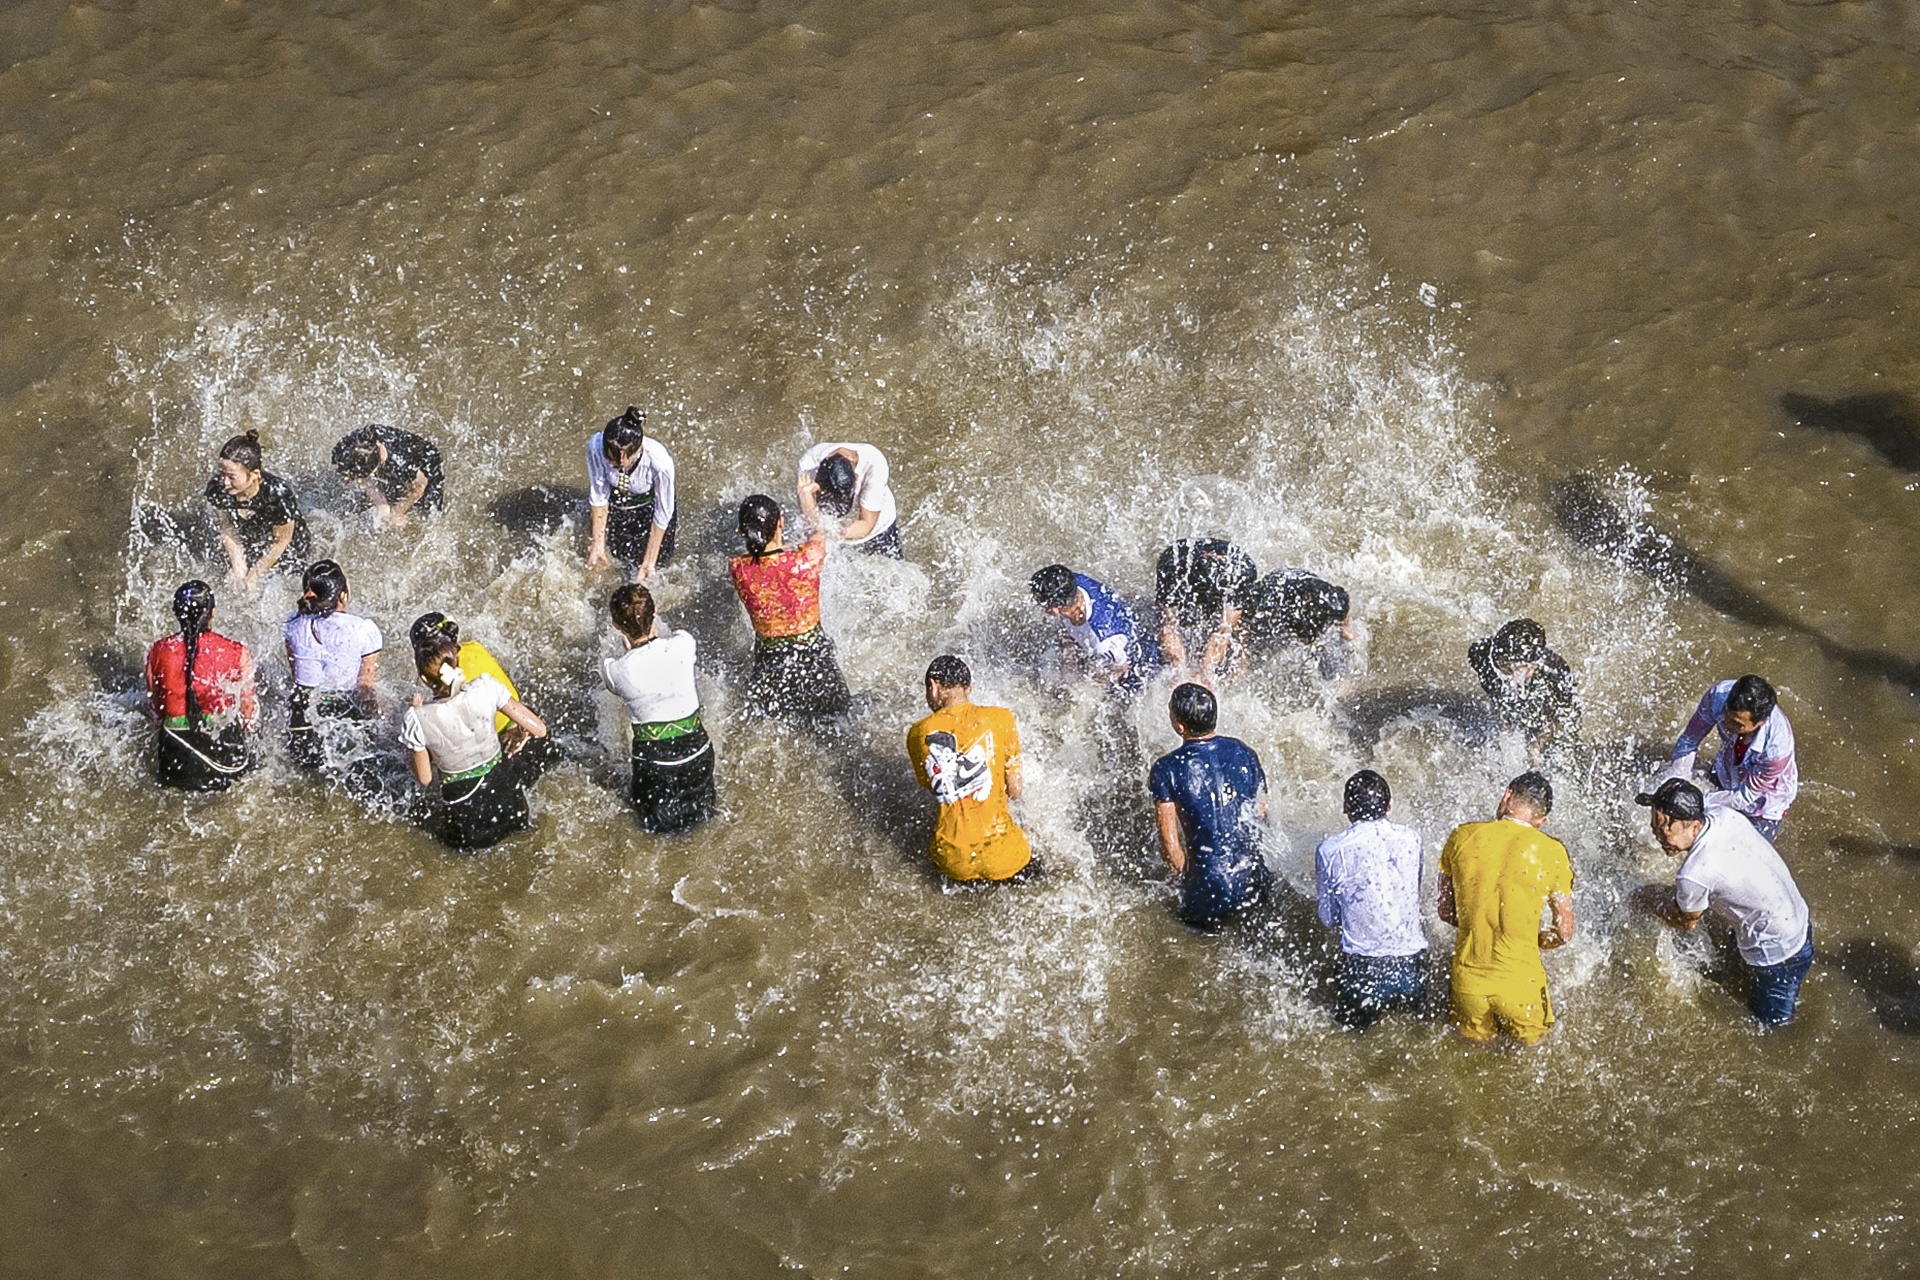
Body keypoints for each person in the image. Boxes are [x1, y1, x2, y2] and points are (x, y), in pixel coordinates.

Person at [1631, 779, 1814, 1028]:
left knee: (1770, 1028)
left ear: (1695, 825)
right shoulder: (1724, 816)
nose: (1659, 836)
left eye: (1666, 829)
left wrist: (1647, 898)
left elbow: (1686, 922)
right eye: (1655, 826)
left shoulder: (1694, 873)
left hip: (1777, 955)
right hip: (1798, 920)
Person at [1437, 772, 1575, 1046]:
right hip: (1521, 988)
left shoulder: (1461, 836)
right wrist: (1533, 941)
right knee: (1529, 1066)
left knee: (1472, 1064)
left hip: (1468, 986)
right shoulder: (1552, 851)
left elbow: (1446, 912)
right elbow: (1564, 931)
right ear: (1541, 821)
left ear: (1507, 795)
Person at [402, 636, 548, 850]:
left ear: (424, 679)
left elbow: (424, 778)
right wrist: (520, 733)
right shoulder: (486, 686)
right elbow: (540, 729)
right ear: (456, 662)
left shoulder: (416, 719)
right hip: (511, 801)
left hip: (467, 820)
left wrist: (413, 715)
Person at [1148, 682, 1271, 927]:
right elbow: (1262, 814)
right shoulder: (1245, 752)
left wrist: (1183, 881)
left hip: (1209, 889)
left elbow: (1169, 844)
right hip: (1254, 878)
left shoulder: (1166, 768)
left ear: (1180, 726)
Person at [1314, 770, 1428, 1028]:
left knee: (1352, 1041)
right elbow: (1413, 894)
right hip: (1412, 962)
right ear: (1388, 806)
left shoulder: (1330, 849)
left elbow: (1327, 918)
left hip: (1363, 969)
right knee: (1417, 1034)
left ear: (1346, 809)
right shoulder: (1412, 839)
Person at [905, 655, 1033, 883]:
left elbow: (930, 785)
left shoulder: (917, 733)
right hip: (1005, 855)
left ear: (933, 687)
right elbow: (1015, 791)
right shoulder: (1001, 717)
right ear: (968, 688)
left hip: (952, 863)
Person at [602, 584, 716, 834]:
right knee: (703, 817)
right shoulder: (684, 643)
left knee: (656, 831)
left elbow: (620, 685)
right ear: (656, 612)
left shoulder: (614, 669)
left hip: (655, 763)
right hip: (698, 752)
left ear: (616, 625)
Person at [728, 494, 851, 718]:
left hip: (771, 665)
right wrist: (806, 497)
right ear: (781, 523)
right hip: (815, 660)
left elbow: (765, 560)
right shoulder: (806, 561)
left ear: (742, 532)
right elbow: (820, 530)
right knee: (838, 720)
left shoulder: (738, 568)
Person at [143, 580, 257, 791]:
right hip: (224, 762)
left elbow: (157, 711)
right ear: (212, 613)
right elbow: (248, 712)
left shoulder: (157, 651)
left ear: (177, 613)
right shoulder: (236, 651)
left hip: (175, 762)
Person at [1668, 675, 1798, 843]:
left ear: (1761, 722)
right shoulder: (1718, 696)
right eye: (1726, 715)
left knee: (1745, 857)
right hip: (1727, 768)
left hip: (1763, 804)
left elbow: (1742, 798)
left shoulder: (1776, 751)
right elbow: (1689, 741)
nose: (1728, 724)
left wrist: (1695, 801)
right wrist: (1678, 784)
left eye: (1738, 724)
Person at [284, 560, 384, 769]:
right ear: (343, 595)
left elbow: (297, 674)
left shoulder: (292, 622)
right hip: (342, 715)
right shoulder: (364, 629)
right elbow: (365, 687)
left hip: (301, 714)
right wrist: (380, 727)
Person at [204, 430, 311, 589]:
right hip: (253, 534)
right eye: (222, 474)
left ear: (254, 475)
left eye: (231, 477)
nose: (224, 482)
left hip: (289, 546)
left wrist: (254, 575)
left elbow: (282, 541)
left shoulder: (277, 495)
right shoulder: (218, 489)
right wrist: (240, 572)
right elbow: (228, 529)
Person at [585, 406, 677, 583]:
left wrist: (649, 561)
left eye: (617, 463)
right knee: (618, 556)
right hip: (620, 499)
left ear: (637, 451)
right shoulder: (595, 447)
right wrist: (597, 545)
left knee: (657, 566)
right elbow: (599, 494)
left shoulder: (659, 463)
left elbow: (663, 512)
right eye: (607, 458)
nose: (611, 464)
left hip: (652, 504)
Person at [1027, 563, 1155, 688]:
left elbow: (1121, 668)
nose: (1036, 603)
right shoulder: (1069, 582)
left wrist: (1085, 684)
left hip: (1136, 661)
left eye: (1039, 601)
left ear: (1054, 610)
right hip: (1118, 626)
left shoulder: (1103, 641)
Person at [1468, 618, 1579, 754]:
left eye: (1519, 670)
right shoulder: (1484, 655)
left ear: (1535, 663)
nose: (1513, 679)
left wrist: (1539, 743)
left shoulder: (1555, 671)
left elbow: (1567, 717)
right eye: (1505, 666)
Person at [1154, 538, 1257, 685]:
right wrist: (1180, 671)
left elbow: (1221, 634)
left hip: (1233, 572)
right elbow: (1168, 629)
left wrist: (1207, 673)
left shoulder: (1240, 573)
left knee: (1239, 628)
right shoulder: (1173, 568)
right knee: (1165, 621)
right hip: (1180, 558)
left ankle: (1239, 675)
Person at [409, 612, 520, 738]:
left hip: (495, 735)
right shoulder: (473, 647)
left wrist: (417, 713)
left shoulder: (450, 679)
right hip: (516, 713)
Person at [1244, 568, 1359, 680]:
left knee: (1333, 649)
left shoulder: (1333, 602)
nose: (1306, 642)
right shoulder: (1270, 607)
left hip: (1308, 587)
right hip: (1275, 586)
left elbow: (1343, 596)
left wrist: (1345, 627)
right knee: (1257, 646)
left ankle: (1339, 681)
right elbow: (1244, 618)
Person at [796, 441, 901, 557]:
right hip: (837, 539)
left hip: (879, 530)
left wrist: (834, 533)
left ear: (856, 478)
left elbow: (867, 524)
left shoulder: (874, 464)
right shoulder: (808, 466)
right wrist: (805, 496)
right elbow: (811, 525)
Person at [331, 423, 445, 526]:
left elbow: (420, 485)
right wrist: (381, 503)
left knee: (427, 516)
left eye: (356, 477)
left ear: (374, 470)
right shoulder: (360, 440)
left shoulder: (402, 466)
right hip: (388, 457)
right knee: (382, 509)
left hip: (427, 468)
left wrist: (398, 511)